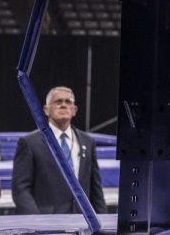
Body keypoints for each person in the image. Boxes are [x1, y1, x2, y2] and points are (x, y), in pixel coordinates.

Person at [11, 86, 106, 214]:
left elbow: (96, 189)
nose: (63, 105)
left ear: (74, 110)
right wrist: (36, 222)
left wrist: (102, 221)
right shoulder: (29, 143)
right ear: (46, 110)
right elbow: (20, 190)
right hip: (47, 223)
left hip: (83, 220)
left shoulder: (88, 142)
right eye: (58, 102)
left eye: (68, 102)